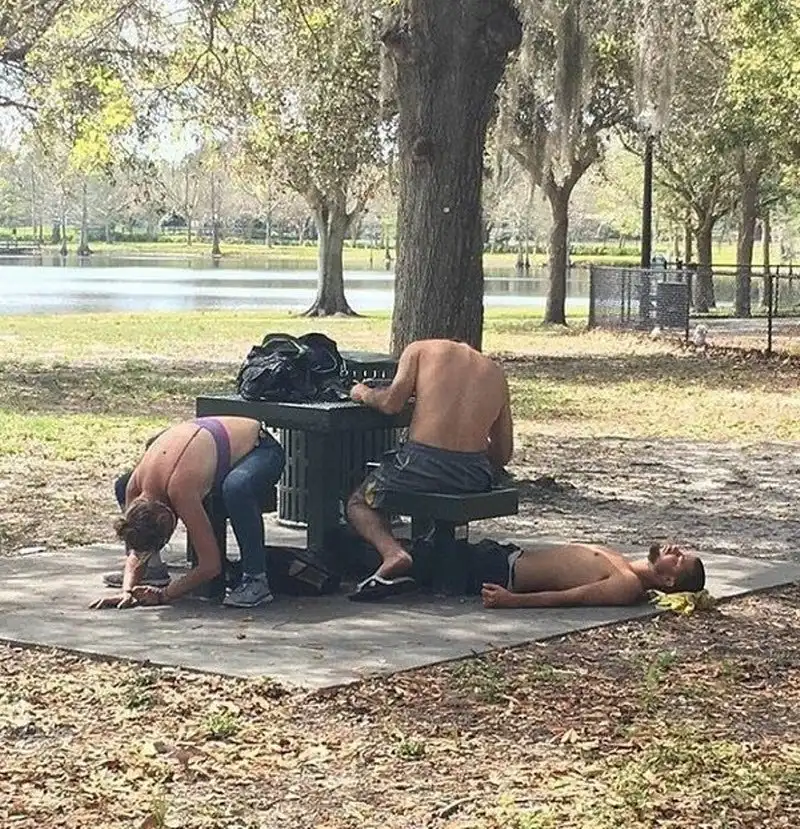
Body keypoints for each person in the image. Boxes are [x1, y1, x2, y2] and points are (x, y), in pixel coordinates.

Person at [347, 339, 513, 600]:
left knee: (359, 502)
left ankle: (393, 553)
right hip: (474, 474)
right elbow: (503, 453)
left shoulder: (419, 350)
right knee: (434, 488)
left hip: (421, 464)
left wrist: (363, 392)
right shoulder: (495, 372)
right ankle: (429, 556)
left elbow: (391, 403)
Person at [90, 416, 285, 610]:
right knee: (121, 483)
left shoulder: (181, 490)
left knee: (236, 487)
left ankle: (256, 579)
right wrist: (127, 590)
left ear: (166, 517)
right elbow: (136, 550)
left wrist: (165, 594)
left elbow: (210, 565)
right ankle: (152, 570)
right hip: (207, 446)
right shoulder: (133, 487)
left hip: (260, 447)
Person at [478, 540, 706, 608]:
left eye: (679, 559)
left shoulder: (627, 584)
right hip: (506, 554)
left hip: (500, 571)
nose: (675, 549)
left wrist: (511, 601)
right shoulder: (624, 564)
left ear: (668, 580)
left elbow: (571, 598)